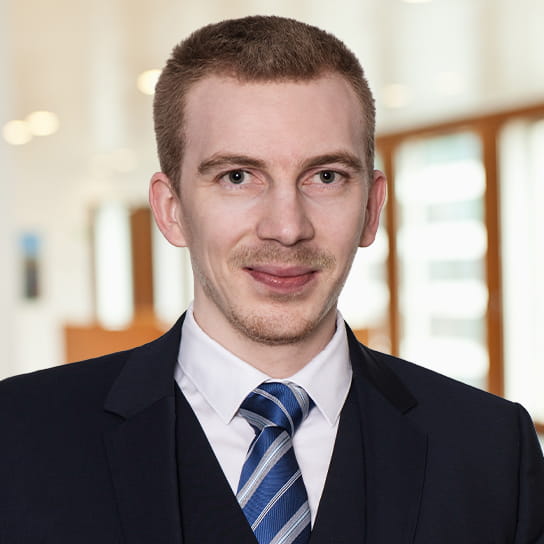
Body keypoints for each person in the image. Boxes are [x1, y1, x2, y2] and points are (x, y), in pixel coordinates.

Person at [1, 15, 543, 544]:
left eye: (326, 176)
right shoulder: (19, 436)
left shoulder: (492, 449)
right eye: (238, 176)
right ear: (171, 210)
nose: (287, 228)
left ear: (372, 208)